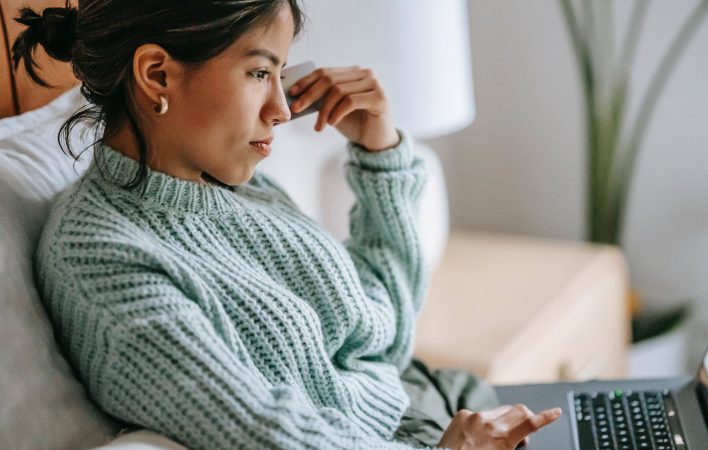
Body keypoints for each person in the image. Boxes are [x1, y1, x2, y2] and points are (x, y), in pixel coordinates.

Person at [12, 1, 562, 449]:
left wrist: (381, 153)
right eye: (258, 72)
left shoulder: (237, 188)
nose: (279, 108)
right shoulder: (98, 256)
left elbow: (382, 338)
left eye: (280, 73)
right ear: (157, 74)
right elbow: (262, 431)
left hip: (432, 403)